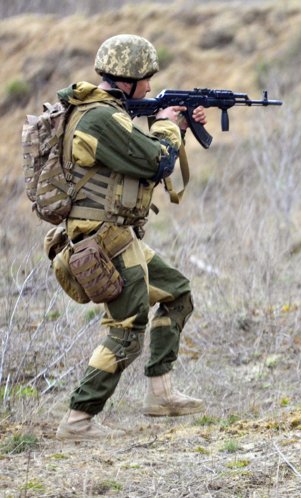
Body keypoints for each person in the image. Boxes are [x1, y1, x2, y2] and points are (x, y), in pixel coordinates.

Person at [54, 34, 207, 441]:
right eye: (147, 79)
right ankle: (78, 420)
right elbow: (156, 160)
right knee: (127, 326)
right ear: (129, 79)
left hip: (118, 237)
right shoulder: (100, 118)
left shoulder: (106, 112)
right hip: (104, 242)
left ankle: (161, 394)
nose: (152, 87)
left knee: (176, 292)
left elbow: (142, 155)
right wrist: (169, 127)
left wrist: (176, 126)